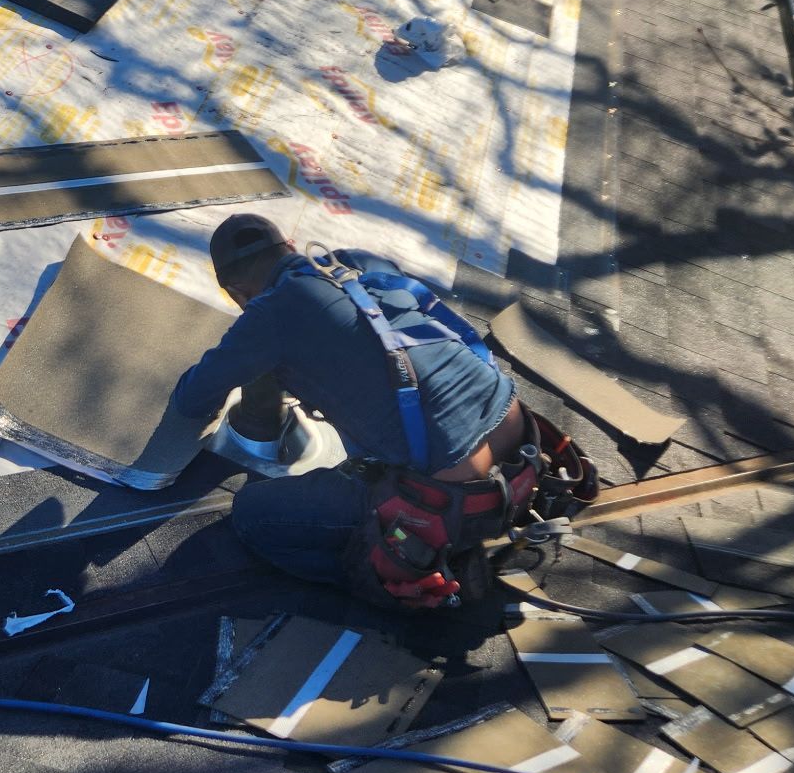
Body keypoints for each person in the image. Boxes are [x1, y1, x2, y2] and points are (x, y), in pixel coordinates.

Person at [170, 214, 586, 604]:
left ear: (237, 293)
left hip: (453, 500)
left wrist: (254, 356)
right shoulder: (356, 262)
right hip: (524, 436)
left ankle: (399, 577)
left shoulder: (266, 315)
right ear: (290, 246)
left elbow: (191, 396)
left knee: (252, 515)